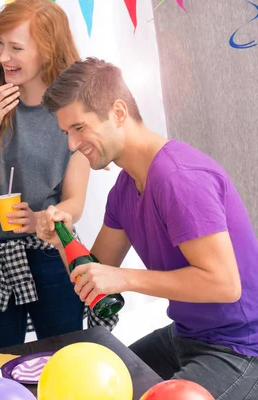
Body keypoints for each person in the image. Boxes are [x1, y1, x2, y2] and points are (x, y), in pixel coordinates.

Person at [36, 56, 258, 398]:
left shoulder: (179, 178)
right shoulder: (124, 190)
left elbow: (225, 285)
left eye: (79, 128)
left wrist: (126, 279)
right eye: (67, 133)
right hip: (186, 336)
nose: (71, 145)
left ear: (118, 112)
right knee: (88, 386)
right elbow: (95, 275)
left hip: (240, 350)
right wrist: (61, 241)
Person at [0, 0, 112, 350]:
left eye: (15, 47)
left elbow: (74, 201)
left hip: (48, 252)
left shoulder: (75, 108)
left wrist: (43, 219)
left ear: (47, 50)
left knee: (65, 354)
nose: (2, 56)